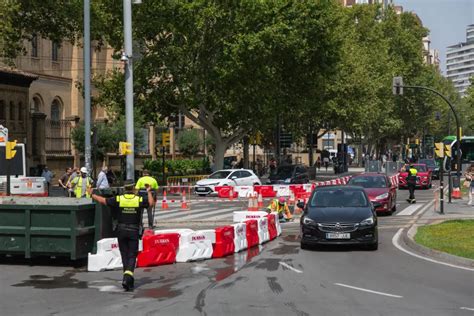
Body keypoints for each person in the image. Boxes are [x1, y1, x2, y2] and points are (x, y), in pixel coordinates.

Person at [88, 181, 153, 292]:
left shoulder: (118, 199)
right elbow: (151, 203)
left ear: (124, 189)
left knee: (124, 254)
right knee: (132, 255)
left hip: (121, 230)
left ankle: (127, 279)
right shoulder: (138, 200)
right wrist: (149, 191)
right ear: (133, 189)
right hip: (133, 230)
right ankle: (127, 277)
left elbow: (103, 201)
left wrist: (92, 194)